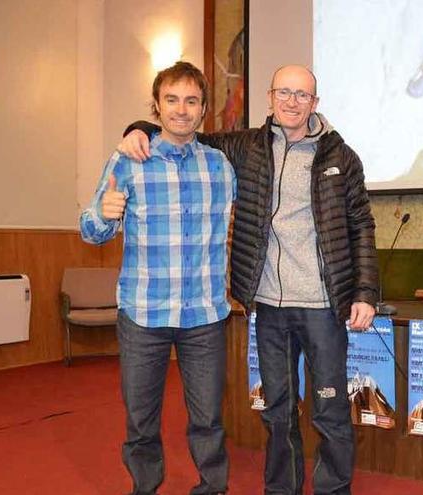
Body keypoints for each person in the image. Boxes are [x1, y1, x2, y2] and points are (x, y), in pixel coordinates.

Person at [119, 64, 379, 495]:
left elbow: (361, 225)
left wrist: (366, 291)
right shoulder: (245, 148)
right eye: (284, 92)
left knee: (330, 410)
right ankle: (282, 489)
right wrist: (140, 128)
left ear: (315, 103)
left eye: (302, 95)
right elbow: (186, 133)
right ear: (270, 96)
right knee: (277, 411)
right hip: (269, 306)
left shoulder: (341, 157)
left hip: (323, 305)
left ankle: (334, 490)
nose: (292, 101)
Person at [80, 61, 235, 495]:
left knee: (208, 418)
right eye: (171, 100)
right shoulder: (129, 159)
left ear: (204, 108)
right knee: (140, 418)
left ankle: (212, 487)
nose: (181, 110)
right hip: (144, 312)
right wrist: (103, 215)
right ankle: (144, 487)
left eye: (191, 101)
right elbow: (90, 232)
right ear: (156, 106)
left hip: (204, 314)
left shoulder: (222, 166)